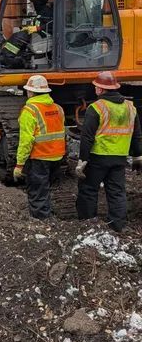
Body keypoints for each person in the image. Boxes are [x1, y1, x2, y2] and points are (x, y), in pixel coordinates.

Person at [76, 71, 142, 232]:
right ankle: (117, 226)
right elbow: (137, 134)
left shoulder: (97, 108)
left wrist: (82, 160)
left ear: (100, 89)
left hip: (98, 157)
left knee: (89, 190)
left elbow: (87, 137)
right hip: (119, 158)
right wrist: (137, 156)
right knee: (117, 192)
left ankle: (88, 225)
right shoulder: (130, 107)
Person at [13, 74, 66, 219]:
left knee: (37, 190)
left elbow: (26, 141)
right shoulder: (58, 108)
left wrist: (19, 164)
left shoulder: (30, 111)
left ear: (30, 92)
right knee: (46, 186)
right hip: (57, 156)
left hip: (40, 156)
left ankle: (41, 220)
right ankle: (46, 212)